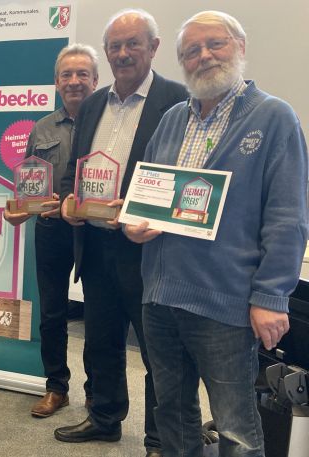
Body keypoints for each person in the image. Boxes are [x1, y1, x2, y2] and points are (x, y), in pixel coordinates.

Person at [124, 10, 308, 457]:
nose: (203, 56)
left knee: (236, 428)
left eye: (215, 44)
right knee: (172, 414)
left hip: (225, 303)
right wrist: (133, 223)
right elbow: (147, 195)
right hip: (160, 297)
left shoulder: (274, 117)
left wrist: (271, 297)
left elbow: (288, 218)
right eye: (192, 50)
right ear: (182, 62)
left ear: (240, 47)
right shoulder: (172, 119)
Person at [56, 10, 187, 457]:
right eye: (115, 46)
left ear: (153, 47)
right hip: (94, 245)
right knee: (102, 340)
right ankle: (105, 417)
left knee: (157, 351)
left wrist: (133, 210)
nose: (124, 53)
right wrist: (69, 202)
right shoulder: (93, 103)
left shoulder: (178, 100)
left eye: (133, 44)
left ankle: (159, 438)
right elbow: (75, 169)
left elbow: (182, 178)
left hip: (149, 252)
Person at [3, 43, 98, 418]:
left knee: (100, 315)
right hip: (51, 231)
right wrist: (19, 210)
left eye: (82, 74)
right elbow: (29, 184)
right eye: (66, 75)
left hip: (97, 232)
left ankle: (97, 391)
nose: (74, 81)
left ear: (95, 80)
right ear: (57, 82)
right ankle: (56, 387)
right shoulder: (41, 128)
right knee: (52, 314)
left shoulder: (107, 122)